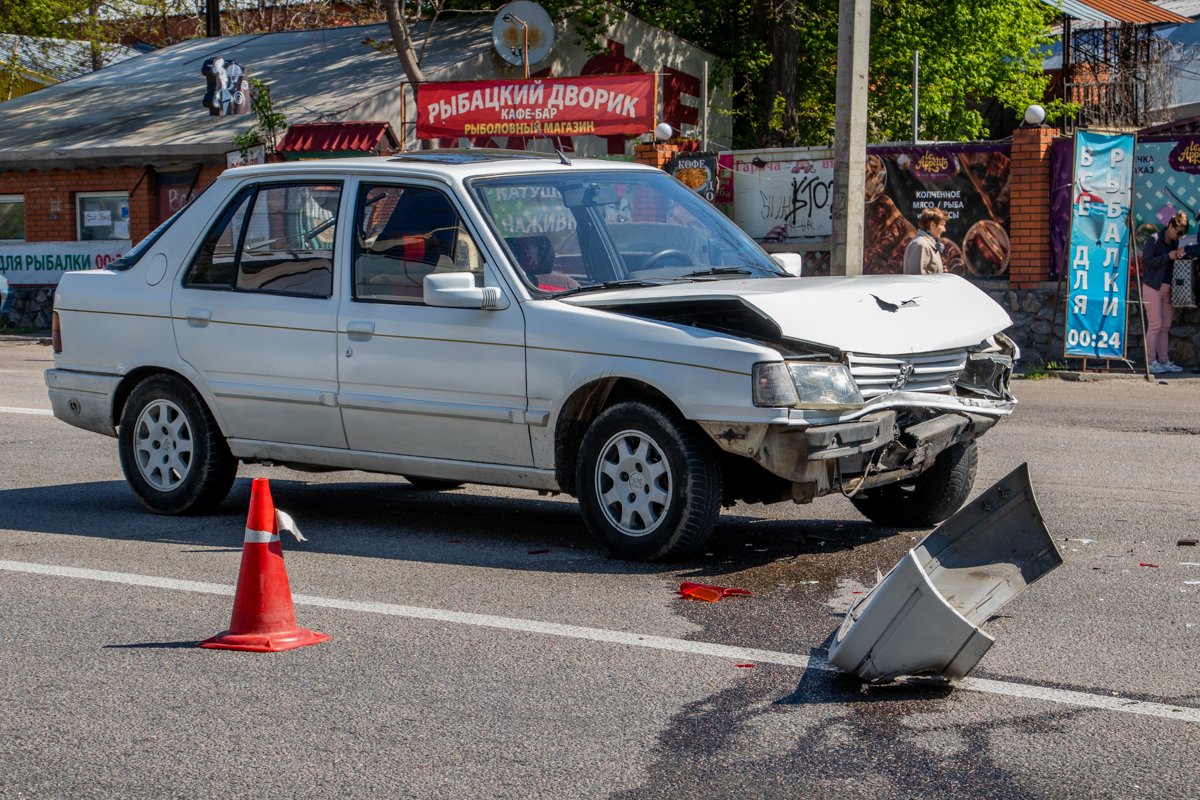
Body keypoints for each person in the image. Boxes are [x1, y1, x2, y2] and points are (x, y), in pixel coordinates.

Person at [1140, 211, 1186, 374]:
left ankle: (1163, 360)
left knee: (1165, 326)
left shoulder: (1174, 243)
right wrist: (1168, 256)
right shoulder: (1154, 240)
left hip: (1167, 288)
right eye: (1178, 231)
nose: (1179, 235)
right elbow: (1146, 262)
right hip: (1152, 287)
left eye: (1182, 233)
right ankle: (1151, 361)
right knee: (1155, 325)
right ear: (1170, 225)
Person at [903, 208, 949, 275]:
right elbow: (916, 280)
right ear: (932, 225)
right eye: (942, 225)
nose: (944, 229)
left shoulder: (928, 244)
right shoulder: (920, 245)